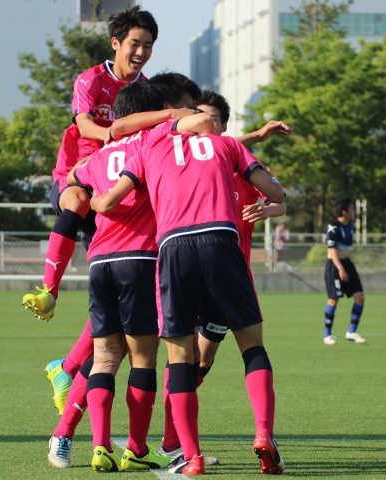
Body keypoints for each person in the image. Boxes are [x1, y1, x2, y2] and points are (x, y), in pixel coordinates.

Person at [91, 114, 286, 475]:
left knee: (179, 356)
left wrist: (91, 201)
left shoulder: (148, 148)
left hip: (173, 249)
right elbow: (276, 194)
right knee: (252, 346)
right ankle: (264, 435)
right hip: (222, 243)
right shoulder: (228, 145)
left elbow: (107, 203)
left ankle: (191, 457)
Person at [46, 80, 206, 471]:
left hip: (100, 260)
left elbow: (74, 178)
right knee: (140, 359)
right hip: (142, 261)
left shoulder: (101, 155)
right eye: (180, 107)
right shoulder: (152, 141)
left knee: (103, 355)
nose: (186, 115)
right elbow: (202, 127)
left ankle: (80, 437)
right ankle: (131, 446)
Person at [159, 90, 290, 462]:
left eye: (213, 118)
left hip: (212, 269)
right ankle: (176, 441)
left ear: (224, 126)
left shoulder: (231, 155)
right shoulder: (194, 157)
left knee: (197, 361)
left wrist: (269, 211)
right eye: (199, 115)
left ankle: (184, 448)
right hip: (221, 265)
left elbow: (279, 198)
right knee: (203, 359)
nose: (205, 122)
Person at [22, 5, 159, 322]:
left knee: (119, 299)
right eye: (134, 44)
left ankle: (70, 369)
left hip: (118, 190)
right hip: (77, 176)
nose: (140, 52)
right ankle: (49, 292)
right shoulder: (91, 80)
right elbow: (83, 125)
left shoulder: (149, 91)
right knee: (77, 199)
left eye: (148, 45)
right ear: (116, 43)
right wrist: (114, 135)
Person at [323, 198, 366, 346]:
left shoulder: (351, 227)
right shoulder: (333, 227)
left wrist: (346, 266)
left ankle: (351, 332)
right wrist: (340, 268)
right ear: (344, 211)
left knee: (360, 297)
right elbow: (332, 250)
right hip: (335, 266)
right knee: (334, 298)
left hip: (348, 264)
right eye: (352, 209)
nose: (354, 211)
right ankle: (327, 335)